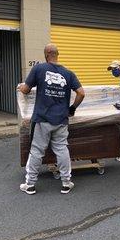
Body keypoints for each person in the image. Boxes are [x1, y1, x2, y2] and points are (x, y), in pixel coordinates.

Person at [18, 43, 85, 195]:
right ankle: (66, 183)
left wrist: (21, 87)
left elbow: (26, 89)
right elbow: (81, 93)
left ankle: (30, 185)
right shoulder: (68, 73)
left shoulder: (39, 69)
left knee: (36, 151)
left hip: (42, 119)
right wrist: (72, 108)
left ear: (47, 54)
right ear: (57, 54)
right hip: (61, 119)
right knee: (61, 149)